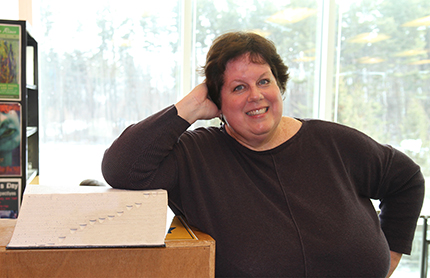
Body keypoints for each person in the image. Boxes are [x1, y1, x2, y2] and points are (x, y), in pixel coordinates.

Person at [102, 31, 425, 277]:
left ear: (279, 85)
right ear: (217, 102)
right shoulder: (196, 155)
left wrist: (391, 252)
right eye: (238, 87)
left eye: (264, 81)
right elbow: (123, 168)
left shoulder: (333, 142)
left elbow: (406, 178)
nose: (256, 96)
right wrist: (188, 107)